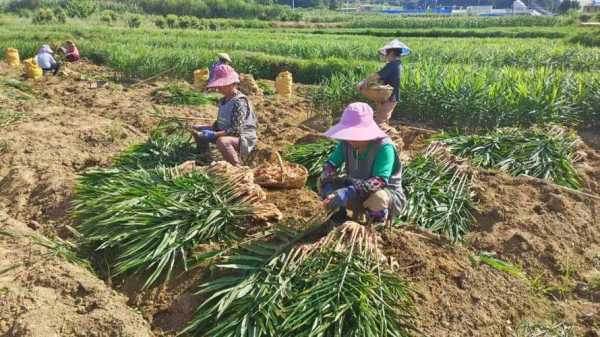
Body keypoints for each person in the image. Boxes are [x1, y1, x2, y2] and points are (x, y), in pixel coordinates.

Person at [319, 102, 406, 227]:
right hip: (357, 188)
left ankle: (377, 224)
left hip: (385, 194)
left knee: (379, 198)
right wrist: (327, 183)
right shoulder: (346, 143)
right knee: (322, 181)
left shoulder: (384, 147)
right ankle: (337, 216)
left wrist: (347, 192)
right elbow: (330, 165)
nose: (351, 138)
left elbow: (379, 181)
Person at [191, 64, 257, 166]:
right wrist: (205, 128)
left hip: (243, 137)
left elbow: (236, 129)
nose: (219, 88)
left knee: (222, 141)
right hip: (226, 132)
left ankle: (237, 167)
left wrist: (214, 134)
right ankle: (205, 159)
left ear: (232, 84)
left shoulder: (239, 102)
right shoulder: (223, 100)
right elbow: (220, 123)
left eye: (222, 85)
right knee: (198, 132)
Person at [357, 39, 410, 127]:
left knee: (380, 122)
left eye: (387, 53)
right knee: (384, 120)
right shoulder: (398, 64)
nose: (386, 56)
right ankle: (385, 137)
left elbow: (376, 76)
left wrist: (363, 83)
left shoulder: (392, 65)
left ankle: (385, 139)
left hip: (390, 97)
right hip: (389, 97)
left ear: (392, 53)